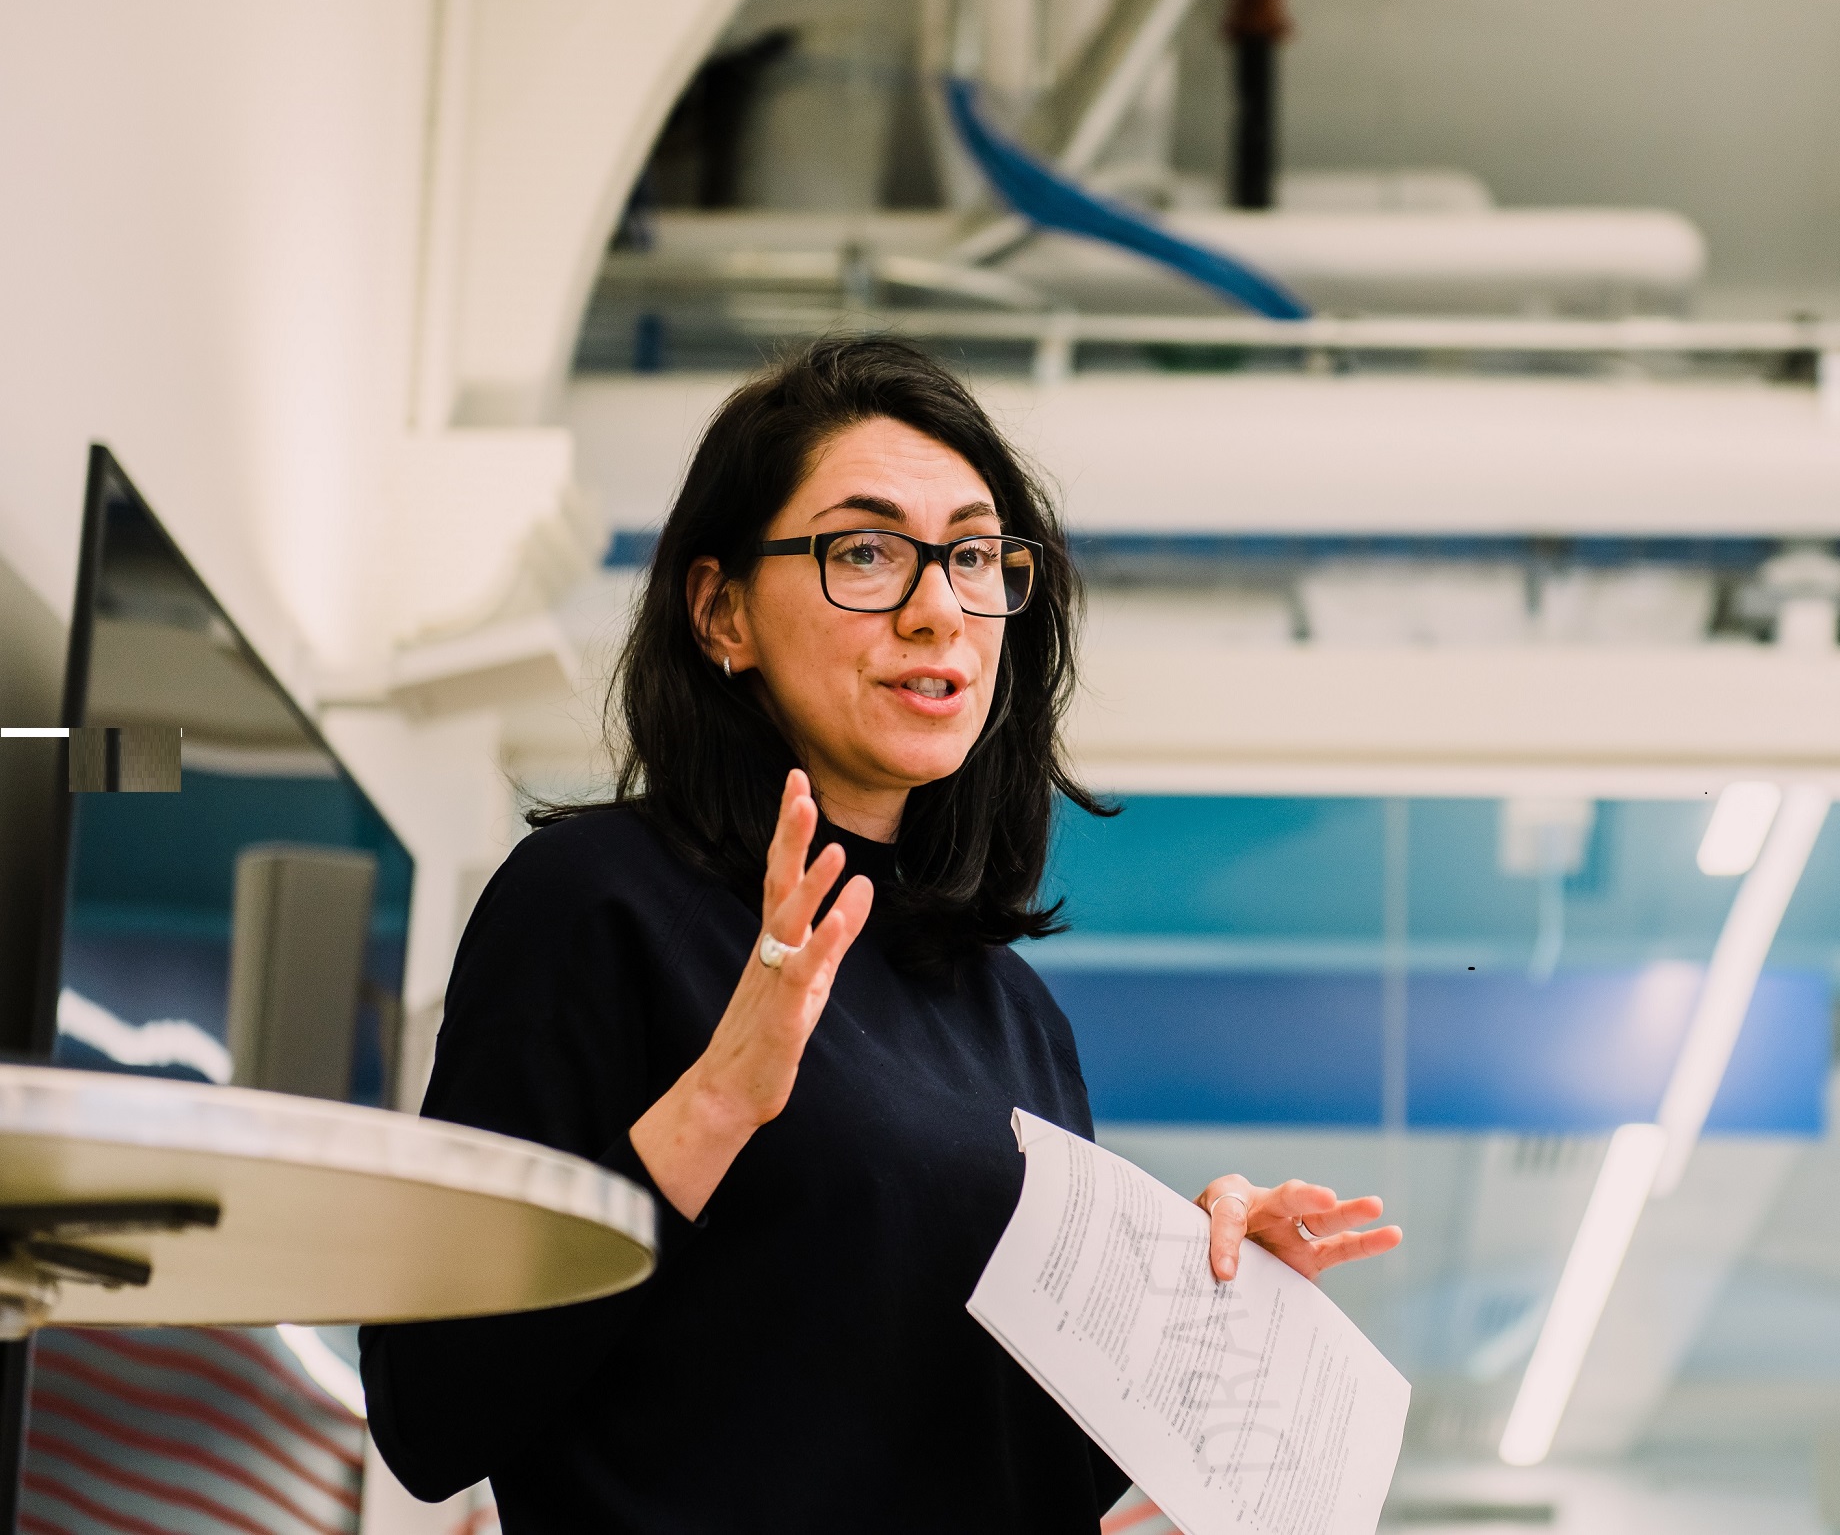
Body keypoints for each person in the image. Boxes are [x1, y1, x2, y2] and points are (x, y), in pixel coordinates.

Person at [359, 338, 1401, 1533]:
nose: (935, 609)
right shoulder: (595, 904)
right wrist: (719, 1100)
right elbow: (431, 1416)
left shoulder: (1014, 1013)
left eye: (971, 554)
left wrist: (1218, 1323)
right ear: (721, 612)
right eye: (864, 552)